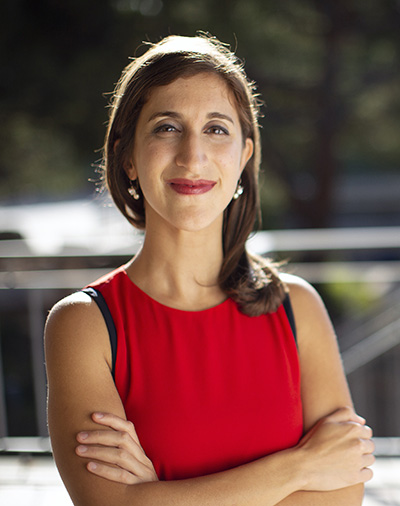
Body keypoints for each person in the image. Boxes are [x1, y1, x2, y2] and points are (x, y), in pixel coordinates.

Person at [45, 34, 375, 506]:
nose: (192, 156)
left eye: (217, 129)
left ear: (243, 157)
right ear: (127, 157)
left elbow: (341, 492)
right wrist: (299, 467)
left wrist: (155, 495)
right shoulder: (83, 324)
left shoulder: (297, 308)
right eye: (166, 127)